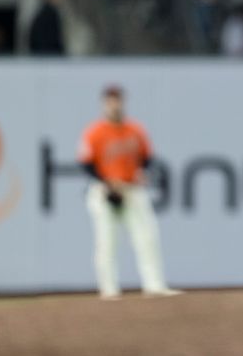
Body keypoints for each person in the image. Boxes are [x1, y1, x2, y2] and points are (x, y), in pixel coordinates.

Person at [78, 85, 181, 300]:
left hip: (132, 189)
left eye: (118, 100)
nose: (115, 105)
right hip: (104, 191)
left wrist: (142, 171)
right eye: (110, 101)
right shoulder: (95, 132)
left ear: (123, 102)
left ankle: (154, 286)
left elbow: (147, 158)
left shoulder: (135, 130)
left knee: (147, 238)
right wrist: (106, 181)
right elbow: (86, 164)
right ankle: (109, 290)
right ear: (104, 104)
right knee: (107, 242)